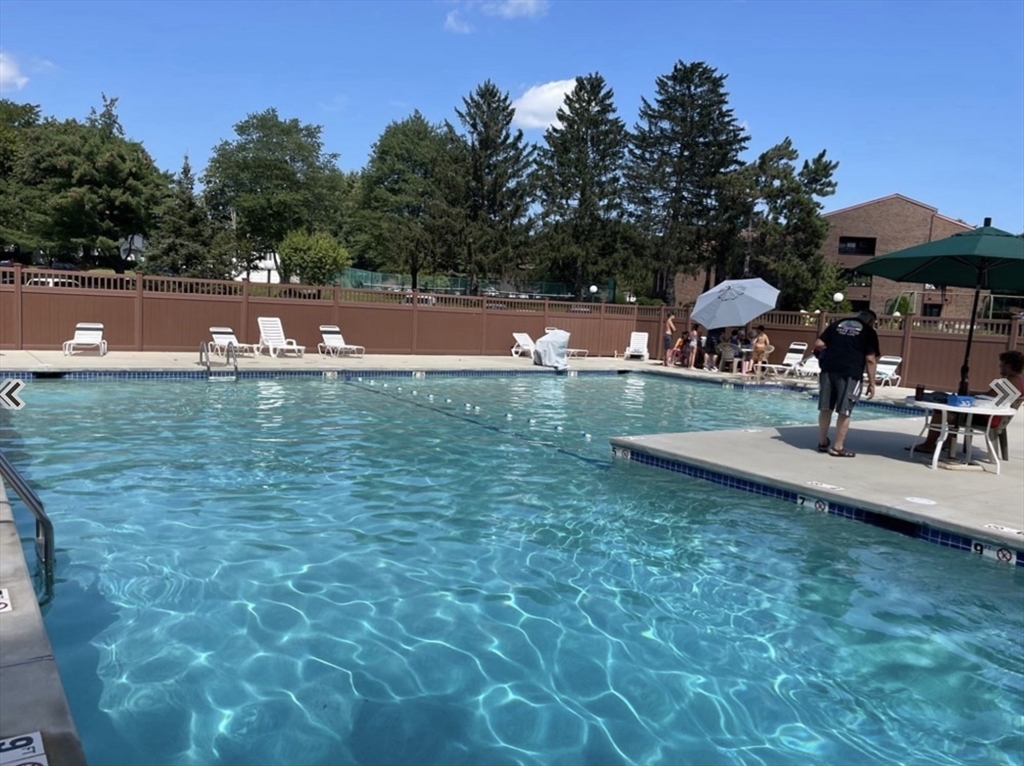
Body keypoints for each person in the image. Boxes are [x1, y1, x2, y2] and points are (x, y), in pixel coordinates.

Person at [908, 350, 1024, 454]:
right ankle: (948, 442)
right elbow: (991, 398)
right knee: (947, 401)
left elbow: (984, 400)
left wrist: (970, 394)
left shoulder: (1007, 383)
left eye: (1001, 364)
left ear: (1008, 366)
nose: (999, 366)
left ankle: (928, 445)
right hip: (996, 417)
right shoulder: (1019, 382)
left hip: (987, 419)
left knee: (940, 411)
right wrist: (973, 393)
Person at [810, 310, 880, 457]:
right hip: (850, 373)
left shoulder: (837, 324)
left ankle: (822, 443)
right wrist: (872, 383)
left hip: (829, 370)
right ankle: (838, 447)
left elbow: (818, 343)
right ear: (871, 321)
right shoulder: (868, 331)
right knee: (845, 410)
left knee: (825, 408)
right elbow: (870, 359)